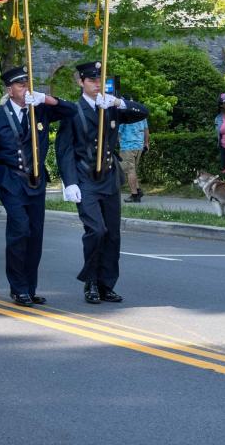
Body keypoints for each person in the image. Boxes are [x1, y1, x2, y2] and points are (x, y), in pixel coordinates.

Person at [55, 60, 150, 305]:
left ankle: (106, 284)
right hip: (85, 179)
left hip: (108, 178)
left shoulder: (110, 107)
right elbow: (64, 149)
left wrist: (118, 102)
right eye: (91, 80)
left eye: (100, 80)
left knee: (113, 235)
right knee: (96, 231)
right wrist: (70, 182)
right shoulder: (73, 111)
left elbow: (143, 112)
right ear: (81, 82)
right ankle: (91, 282)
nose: (97, 84)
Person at [0, 65, 76, 306]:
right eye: (21, 85)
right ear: (9, 89)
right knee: (19, 230)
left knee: (35, 235)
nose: (26, 89)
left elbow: (71, 111)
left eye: (29, 85)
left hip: (36, 181)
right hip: (9, 179)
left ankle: (30, 288)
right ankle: (18, 288)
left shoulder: (40, 110)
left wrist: (47, 99)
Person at [117, 108, 149, 204]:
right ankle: (138, 191)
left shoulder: (124, 116)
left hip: (127, 146)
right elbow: (146, 130)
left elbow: (118, 133)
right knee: (132, 170)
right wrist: (146, 143)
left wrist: (119, 142)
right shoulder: (141, 116)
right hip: (139, 146)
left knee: (129, 171)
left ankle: (134, 195)